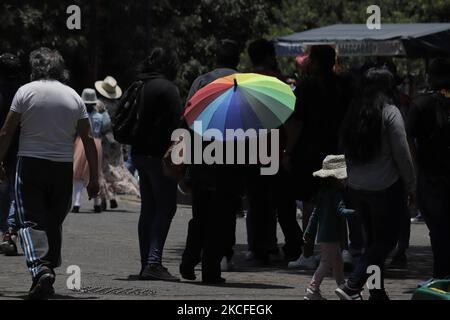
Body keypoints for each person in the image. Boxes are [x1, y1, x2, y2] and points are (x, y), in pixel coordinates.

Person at [0, 47, 99, 299]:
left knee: (30, 220)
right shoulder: (74, 97)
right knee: (53, 219)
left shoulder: (25, 91)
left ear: (36, 67)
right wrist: (95, 178)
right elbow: (88, 139)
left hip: (30, 164)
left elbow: (6, 132)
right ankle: (48, 267)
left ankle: (41, 268)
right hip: (62, 167)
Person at [337, 67, 416, 300]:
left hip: (356, 187)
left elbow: (341, 148)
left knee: (373, 242)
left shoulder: (353, 111)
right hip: (385, 187)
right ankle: (353, 285)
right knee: (387, 240)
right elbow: (402, 152)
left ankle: (376, 290)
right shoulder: (390, 112)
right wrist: (411, 185)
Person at [284, 45, 353, 269]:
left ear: (313, 61)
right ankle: (344, 251)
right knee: (336, 201)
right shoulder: (343, 84)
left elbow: (297, 122)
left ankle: (307, 253)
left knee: (309, 203)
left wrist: (287, 151)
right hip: (335, 148)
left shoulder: (307, 85)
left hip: (309, 151)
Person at [180, 39, 242, 282]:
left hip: (201, 157)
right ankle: (210, 270)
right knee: (223, 217)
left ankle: (188, 260)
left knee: (201, 214)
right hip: (231, 159)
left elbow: (186, 116)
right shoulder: (245, 83)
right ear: (237, 59)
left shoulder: (202, 81)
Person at [131, 47, 182, 282]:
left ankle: (146, 263)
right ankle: (153, 263)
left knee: (148, 209)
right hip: (161, 155)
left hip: (139, 153)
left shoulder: (141, 85)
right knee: (166, 207)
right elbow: (177, 125)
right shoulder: (169, 89)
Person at [407, 58, 450, 280]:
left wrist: (415, 168)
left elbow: (409, 138)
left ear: (429, 76)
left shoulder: (420, 103)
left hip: (430, 175)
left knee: (438, 230)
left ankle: (441, 274)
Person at [303, 155, 355, 300]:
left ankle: (342, 286)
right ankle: (312, 289)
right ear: (337, 178)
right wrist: (356, 212)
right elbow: (341, 210)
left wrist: (308, 232)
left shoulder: (323, 194)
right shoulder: (336, 194)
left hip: (325, 235)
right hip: (332, 235)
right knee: (326, 262)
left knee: (337, 261)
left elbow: (314, 217)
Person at [95, 76, 138, 209]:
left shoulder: (98, 104)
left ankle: (104, 199)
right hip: (116, 140)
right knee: (116, 168)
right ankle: (116, 194)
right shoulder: (118, 104)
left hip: (103, 140)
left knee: (103, 170)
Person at [0, 53, 22, 256]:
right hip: (19, 148)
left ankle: (6, 230)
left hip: (3, 148)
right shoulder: (23, 92)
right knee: (15, 192)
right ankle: (10, 232)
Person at [72, 89, 105, 213]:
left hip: (82, 141)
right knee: (95, 172)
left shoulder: (79, 115)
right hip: (97, 142)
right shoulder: (100, 116)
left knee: (78, 173)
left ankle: (77, 202)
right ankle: (96, 203)